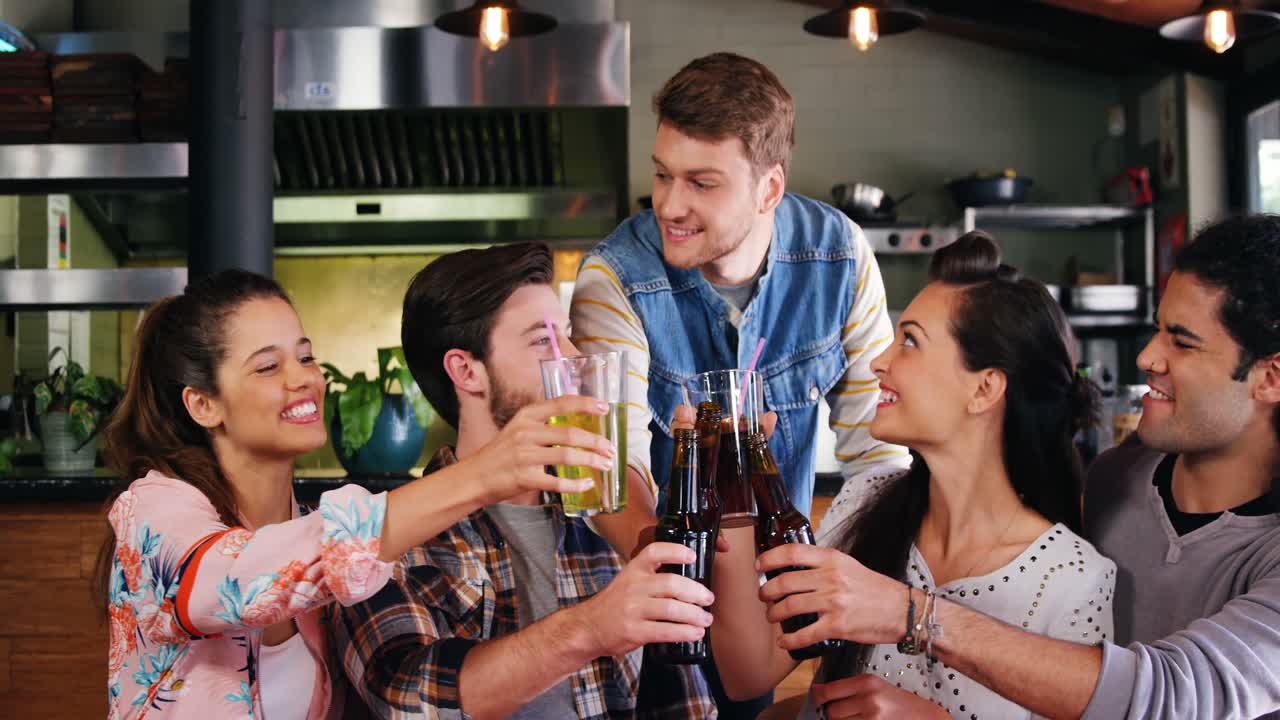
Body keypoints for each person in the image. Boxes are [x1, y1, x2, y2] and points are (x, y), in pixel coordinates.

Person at [755, 214, 1280, 719]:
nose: (1146, 357)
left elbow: (1166, 701)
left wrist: (912, 615)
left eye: (1182, 342)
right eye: (1158, 330)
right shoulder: (1120, 477)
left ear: (1271, 378)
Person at [97, 269, 612, 720]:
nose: (304, 379)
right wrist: (483, 474)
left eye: (305, 356)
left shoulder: (320, 531)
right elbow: (237, 582)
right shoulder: (153, 510)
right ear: (203, 404)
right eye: (268, 366)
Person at [570, 50, 910, 716]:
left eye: (702, 182)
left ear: (769, 189)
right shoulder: (613, 279)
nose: (671, 203)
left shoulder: (841, 256)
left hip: (779, 603)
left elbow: (880, 455)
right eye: (663, 175)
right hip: (651, 619)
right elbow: (605, 474)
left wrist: (822, 590)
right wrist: (686, 570)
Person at [708, 232, 1117, 719]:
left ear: (985, 388)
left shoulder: (1074, 579)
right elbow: (746, 674)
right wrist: (731, 483)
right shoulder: (865, 501)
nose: (880, 361)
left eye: (910, 341)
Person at [330, 242, 717, 719]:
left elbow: (688, 705)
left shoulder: (602, 520)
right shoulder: (390, 539)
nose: (574, 359)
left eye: (568, 337)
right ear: (466, 370)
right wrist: (590, 628)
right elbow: (408, 697)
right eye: (542, 340)